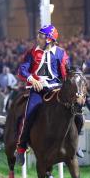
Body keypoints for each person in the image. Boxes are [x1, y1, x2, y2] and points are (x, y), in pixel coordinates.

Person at [14, 24, 82, 165]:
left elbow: (67, 74)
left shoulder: (61, 53)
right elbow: (22, 70)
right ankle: (21, 148)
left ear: (49, 39)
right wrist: (32, 80)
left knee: (78, 115)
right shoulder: (31, 53)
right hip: (37, 90)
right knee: (30, 113)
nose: (38, 38)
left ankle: (76, 144)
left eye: (41, 36)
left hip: (56, 89)